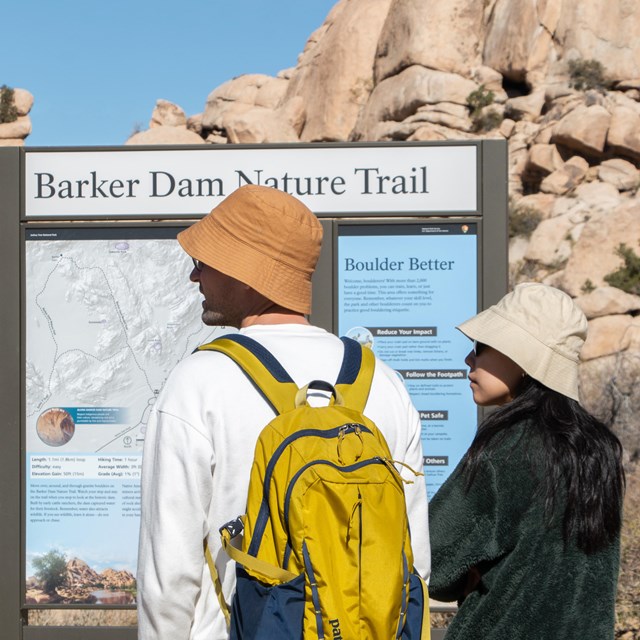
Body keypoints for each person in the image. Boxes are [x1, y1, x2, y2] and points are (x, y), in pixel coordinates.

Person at [136, 184, 430, 640]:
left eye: (203, 263)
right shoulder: (385, 384)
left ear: (247, 272)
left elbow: (168, 575)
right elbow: (414, 560)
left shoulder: (198, 382)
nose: (195, 278)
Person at [428, 283, 625, 640]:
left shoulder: (505, 445)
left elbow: (435, 563)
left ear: (520, 356)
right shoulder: (601, 449)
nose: (468, 360)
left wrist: (474, 572)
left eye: (481, 347)